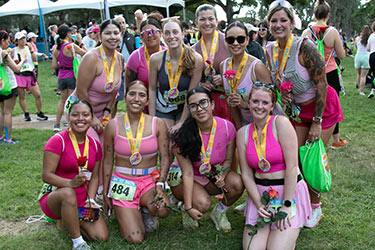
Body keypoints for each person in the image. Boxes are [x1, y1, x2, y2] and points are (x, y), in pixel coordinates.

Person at [265, 0, 343, 228]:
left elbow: (322, 84)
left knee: (311, 157)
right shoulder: (269, 50)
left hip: (322, 109)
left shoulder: (304, 47)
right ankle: (300, 200)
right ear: (269, 23)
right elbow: (275, 81)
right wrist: (283, 95)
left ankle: (316, 207)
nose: (278, 25)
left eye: (283, 20)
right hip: (297, 113)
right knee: (295, 158)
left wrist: (317, 123)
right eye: (274, 20)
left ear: (292, 22)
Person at [237, 83, 311, 250]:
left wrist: (286, 204)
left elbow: (292, 167)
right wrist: (258, 204)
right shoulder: (242, 133)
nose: (259, 106)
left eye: (265, 102)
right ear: (249, 103)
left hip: (287, 192)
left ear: (272, 106)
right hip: (262, 195)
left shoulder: (281, 124)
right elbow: (247, 174)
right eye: (255, 101)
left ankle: (291, 228)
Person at [103, 80, 170, 243]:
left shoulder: (158, 124)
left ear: (147, 100)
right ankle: (128, 212)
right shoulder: (112, 125)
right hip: (123, 183)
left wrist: (160, 184)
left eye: (142, 95)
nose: (136, 99)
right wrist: (106, 192)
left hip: (149, 181)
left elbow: (165, 157)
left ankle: (146, 210)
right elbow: (107, 161)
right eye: (132, 94)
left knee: (163, 209)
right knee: (136, 239)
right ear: (125, 98)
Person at [170, 87, 244, 231]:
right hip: (184, 176)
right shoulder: (182, 136)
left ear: (212, 104)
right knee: (203, 204)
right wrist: (188, 206)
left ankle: (219, 212)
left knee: (236, 183)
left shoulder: (228, 128)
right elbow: (188, 173)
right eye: (193, 106)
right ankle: (186, 206)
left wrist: (222, 176)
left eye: (203, 103)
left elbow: (228, 161)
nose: (199, 109)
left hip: (208, 174)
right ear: (190, 110)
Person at [39, 100, 108, 250]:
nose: (80, 119)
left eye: (85, 115)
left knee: (100, 236)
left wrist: (90, 199)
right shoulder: (58, 141)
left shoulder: (95, 145)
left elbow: (95, 177)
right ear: (68, 117)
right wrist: (70, 183)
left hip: (81, 201)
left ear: (91, 118)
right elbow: (46, 175)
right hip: (56, 197)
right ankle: (78, 242)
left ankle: (71, 219)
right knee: (68, 194)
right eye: (75, 115)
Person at [66, 19, 123, 144]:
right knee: (91, 148)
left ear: (121, 35)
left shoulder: (120, 58)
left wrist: (107, 112)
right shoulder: (91, 58)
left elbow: (114, 90)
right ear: (99, 36)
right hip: (81, 111)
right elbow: (81, 91)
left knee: (105, 150)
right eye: (108, 33)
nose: (112, 37)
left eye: (116, 33)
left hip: (103, 112)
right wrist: (92, 117)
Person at [301, 0, 347, 149]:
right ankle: (336, 138)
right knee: (332, 107)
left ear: (314, 14)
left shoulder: (306, 32)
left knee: (312, 103)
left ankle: (309, 133)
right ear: (328, 14)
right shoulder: (332, 32)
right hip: (330, 72)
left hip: (311, 74)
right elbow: (341, 55)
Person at [221, 21, 283, 130]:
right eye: (230, 40)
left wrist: (245, 104)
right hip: (245, 125)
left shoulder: (257, 67)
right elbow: (232, 103)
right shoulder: (224, 66)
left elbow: (272, 99)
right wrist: (239, 129)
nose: (235, 43)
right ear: (225, 41)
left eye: (240, 39)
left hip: (267, 124)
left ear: (247, 40)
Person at [148, 17, 203, 132]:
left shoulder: (196, 59)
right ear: (162, 35)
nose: (171, 36)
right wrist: (152, 118)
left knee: (179, 138)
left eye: (175, 32)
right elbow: (152, 89)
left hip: (185, 107)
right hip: (163, 107)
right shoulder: (155, 59)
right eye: (167, 33)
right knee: (165, 137)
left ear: (183, 33)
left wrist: (181, 122)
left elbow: (191, 94)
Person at [193, 4, 231, 120]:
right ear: (196, 22)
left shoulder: (229, 42)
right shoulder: (192, 50)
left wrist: (225, 79)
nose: (207, 23)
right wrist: (200, 85)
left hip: (230, 101)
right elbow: (190, 78)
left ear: (217, 21)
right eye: (202, 19)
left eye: (210, 19)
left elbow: (243, 66)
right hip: (204, 105)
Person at [126, 14, 165, 114]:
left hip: (167, 106)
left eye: (153, 31)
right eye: (145, 33)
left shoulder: (168, 54)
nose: (150, 35)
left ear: (160, 33)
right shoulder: (135, 57)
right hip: (143, 108)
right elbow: (128, 86)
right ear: (141, 37)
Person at [52, 24, 86, 132]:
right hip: (71, 75)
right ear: (68, 34)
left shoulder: (56, 49)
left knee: (62, 100)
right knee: (72, 100)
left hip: (61, 76)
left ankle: (57, 124)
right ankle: (70, 123)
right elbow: (86, 54)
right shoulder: (70, 46)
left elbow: (54, 66)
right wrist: (80, 43)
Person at [12, 31, 48, 122]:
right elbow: (14, 62)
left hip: (30, 73)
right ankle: (26, 113)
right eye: (20, 39)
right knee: (22, 95)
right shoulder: (14, 50)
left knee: (37, 94)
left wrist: (31, 49)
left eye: (24, 38)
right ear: (16, 41)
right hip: (20, 74)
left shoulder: (28, 48)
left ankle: (39, 112)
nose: (23, 40)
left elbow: (35, 59)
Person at [0, 30, 25, 144]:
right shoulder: (3, 53)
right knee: (8, 112)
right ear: (2, 40)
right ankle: (8, 138)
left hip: (1, 85)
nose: (8, 43)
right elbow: (16, 69)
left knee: (2, 112)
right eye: (7, 41)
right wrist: (22, 61)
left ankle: (1, 136)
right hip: (9, 84)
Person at [113, 14, 136, 116]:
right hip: (115, 72)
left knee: (130, 96)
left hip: (129, 71)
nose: (122, 25)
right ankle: (110, 118)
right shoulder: (113, 38)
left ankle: (130, 117)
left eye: (123, 22)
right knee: (113, 99)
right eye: (119, 23)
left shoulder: (130, 36)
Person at [354, 25, 371, 96]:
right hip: (366, 56)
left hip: (358, 56)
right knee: (363, 75)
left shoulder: (357, 38)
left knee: (358, 73)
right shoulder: (369, 38)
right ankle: (361, 91)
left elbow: (356, 46)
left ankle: (358, 86)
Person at [367, 21, 375, 98]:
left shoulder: (371, 36)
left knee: (373, 73)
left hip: (372, 56)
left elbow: (368, 48)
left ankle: (372, 89)